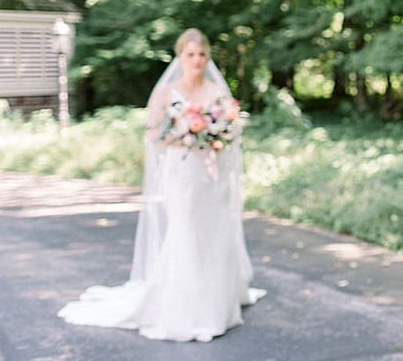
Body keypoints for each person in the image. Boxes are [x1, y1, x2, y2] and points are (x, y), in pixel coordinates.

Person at [59, 28, 265, 342]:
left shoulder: (216, 91)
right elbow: (153, 133)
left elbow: (231, 131)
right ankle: (182, 308)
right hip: (180, 173)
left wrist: (215, 133)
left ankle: (216, 307)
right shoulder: (168, 92)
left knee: (213, 232)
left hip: (211, 174)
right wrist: (184, 132)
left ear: (208, 57)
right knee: (184, 230)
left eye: (202, 55)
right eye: (190, 55)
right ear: (180, 56)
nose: (197, 60)